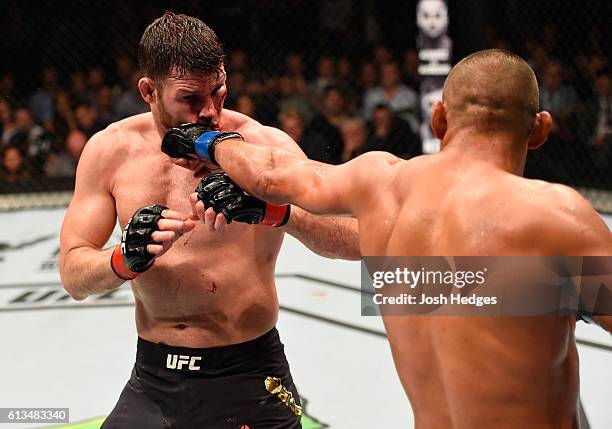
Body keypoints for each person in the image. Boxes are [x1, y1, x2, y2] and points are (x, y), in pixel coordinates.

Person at [175, 49, 612, 428]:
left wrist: (205, 140)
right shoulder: (557, 218)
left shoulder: (381, 185)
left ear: (439, 117)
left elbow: (272, 171)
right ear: (539, 130)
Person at [59, 12, 359, 429]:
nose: (211, 112)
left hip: (249, 373)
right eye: (190, 99)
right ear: (149, 91)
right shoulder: (111, 152)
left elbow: (356, 239)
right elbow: (74, 274)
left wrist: (275, 212)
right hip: (154, 377)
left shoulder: (265, 149)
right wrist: (123, 258)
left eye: (218, 92)